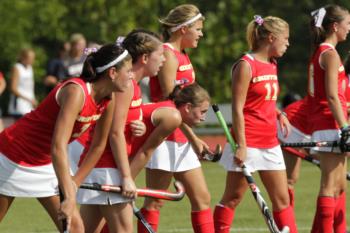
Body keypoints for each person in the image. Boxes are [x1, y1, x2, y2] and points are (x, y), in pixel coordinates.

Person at [0, 43, 133, 232]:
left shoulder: (108, 100)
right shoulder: (76, 91)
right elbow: (58, 145)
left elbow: (98, 146)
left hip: (45, 161)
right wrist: (69, 197)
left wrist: (74, 183)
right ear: (112, 72)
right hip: (12, 155)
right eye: (128, 71)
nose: (132, 75)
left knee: (75, 228)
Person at [213, 15, 298, 233]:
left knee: (282, 200)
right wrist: (241, 144)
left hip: (270, 142)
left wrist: (279, 113)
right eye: (285, 39)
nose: (288, 44)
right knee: (233, 197)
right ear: (271, 38)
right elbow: (238, 108)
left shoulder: (272, 64)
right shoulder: (245, 65)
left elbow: (262, 100)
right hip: (247, 141)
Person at [77, 29, 165, 233]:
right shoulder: (126, 85)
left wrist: (139, 127)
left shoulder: (132, 85)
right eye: (160, 55)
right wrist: (126, 177)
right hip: (106, 168)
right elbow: (114, 133)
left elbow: (120, 125)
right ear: (144, 58)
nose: (163, 60)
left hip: (103, 167)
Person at [142, 4, 215, 233]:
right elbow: (170, 104)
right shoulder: (167, 54)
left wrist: (191, 137)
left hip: (180, 135)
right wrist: (193, 138)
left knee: (202, 198)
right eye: (198, 29)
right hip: (164, 136)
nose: (201, 34)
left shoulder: (183, 55)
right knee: (156, 201)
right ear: (183, 29)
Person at [307, 5, 350, 233]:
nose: (349, 29)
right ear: (335, 26)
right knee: (330, 186)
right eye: (348, 24)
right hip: (331, 123)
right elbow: (333, 95)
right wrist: (345, 127)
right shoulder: (329, 54)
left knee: (339, 187)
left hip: (329, 123)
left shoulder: (321, 51)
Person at [8, 48, 37, 119]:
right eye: (30, 58)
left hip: (29, 104)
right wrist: (27, 99)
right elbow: (13, 88)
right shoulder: (17, 68)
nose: (32, 61)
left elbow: (30, 87)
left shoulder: (30, 68)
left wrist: (33, 99)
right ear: (23, 58)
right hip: (19, 105)